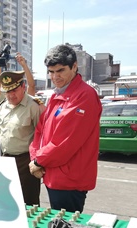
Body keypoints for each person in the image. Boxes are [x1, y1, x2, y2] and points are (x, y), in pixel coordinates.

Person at [29, 44, 102, 213]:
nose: (55, 77)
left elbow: (65, 143)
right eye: (51, 72)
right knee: (58, 226)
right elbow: (40, 131)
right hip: (52, 174)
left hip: (70, 179)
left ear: (74, 66)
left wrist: (38, 161)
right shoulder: (57, 95)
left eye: (60, 71)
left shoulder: (84, 95)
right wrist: (35, 159)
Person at [0, 68, 43, 206]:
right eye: (7, 91)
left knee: (28, 202)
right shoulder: (4, 106)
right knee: (7, 201)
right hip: (5, 159)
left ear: (23, 87)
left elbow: (42, 136)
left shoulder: (33, 107)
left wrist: (38, 162)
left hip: (25, 162)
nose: (10, 96)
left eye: (14, 90)